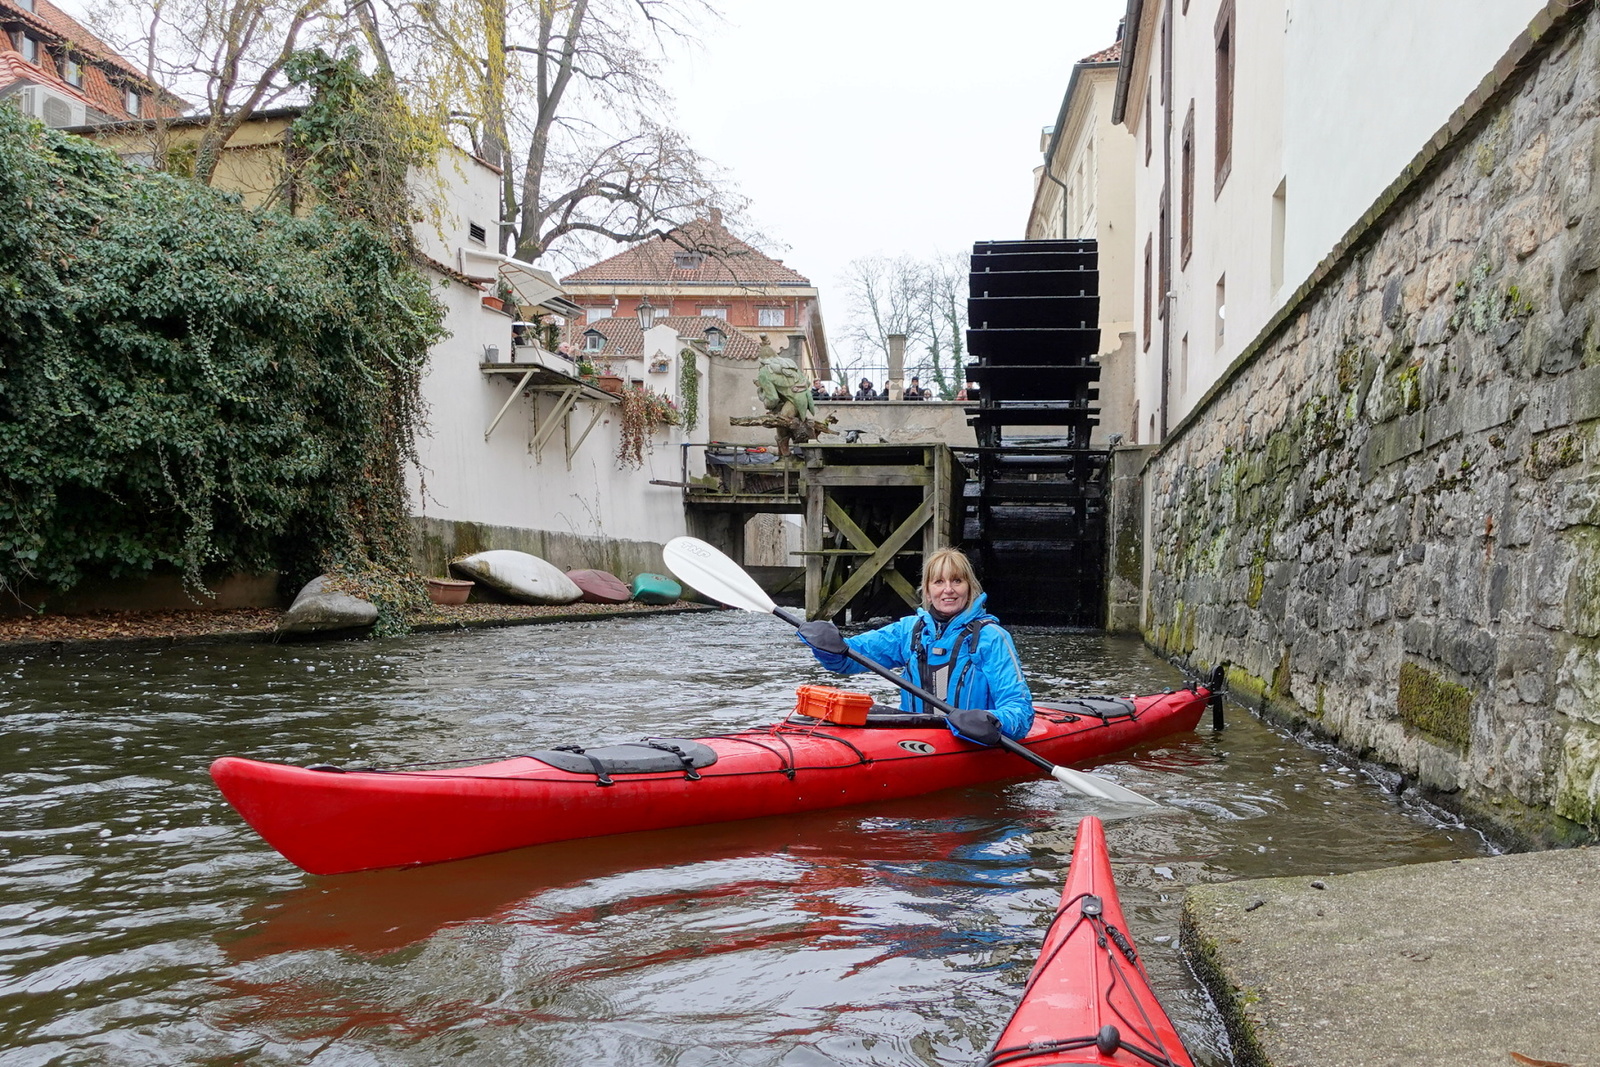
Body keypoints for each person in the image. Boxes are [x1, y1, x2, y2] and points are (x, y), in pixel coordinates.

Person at [795, 547, 1034, 745]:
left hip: (972, 744)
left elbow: (1020, 712)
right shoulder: (909, 631)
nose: (948, 590)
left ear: (969, 588)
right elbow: (847, 659)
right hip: (916, 743)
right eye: (939, 582)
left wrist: (992, 720)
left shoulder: (992, 638)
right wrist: (826, 643)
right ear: (927, 592)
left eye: (957, 581)